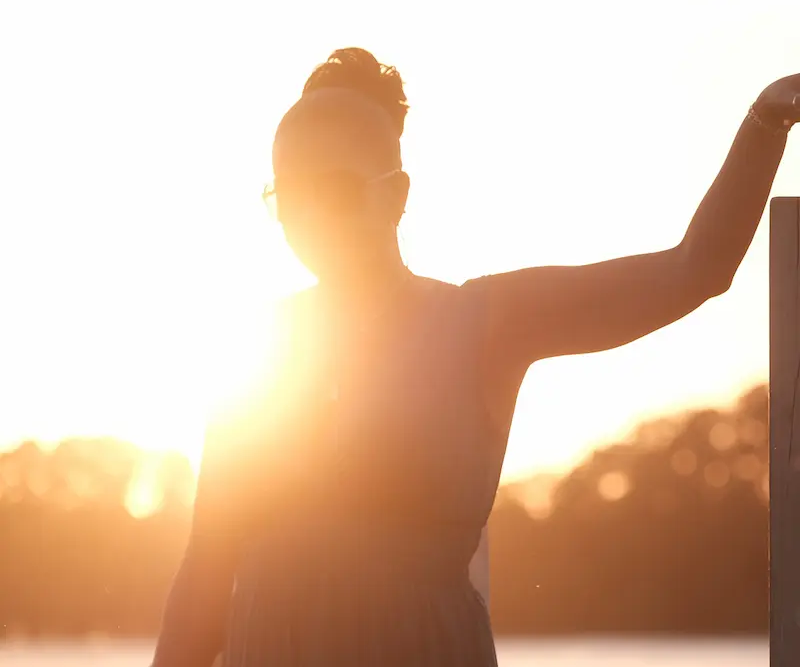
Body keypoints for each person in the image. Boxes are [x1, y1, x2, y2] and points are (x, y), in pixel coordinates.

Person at [151, 48, 800, 667]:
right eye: (290, 195)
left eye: (336, 190)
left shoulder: (483, 323)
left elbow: (694, 270)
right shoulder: (256, 351)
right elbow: (205, 575)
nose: (312, 215)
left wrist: (766, 117)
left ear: (396, 194)